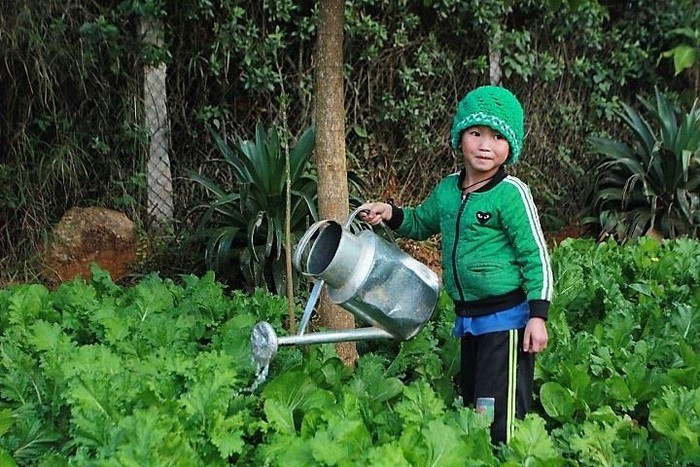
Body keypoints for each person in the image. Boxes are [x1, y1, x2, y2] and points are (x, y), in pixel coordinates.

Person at [359, 85, 552, 445]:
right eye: (476, 133)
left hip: (506, 322)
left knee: (501, 415)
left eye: (497, 137)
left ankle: (509, 455)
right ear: (459, 136)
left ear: (511, 146)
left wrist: (538, 315)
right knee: (476, 405)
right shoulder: (448, 190)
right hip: (469, 319)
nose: (484, 145)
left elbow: (535, 255)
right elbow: (422, 221)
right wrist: (391, 214)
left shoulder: (511, 194)